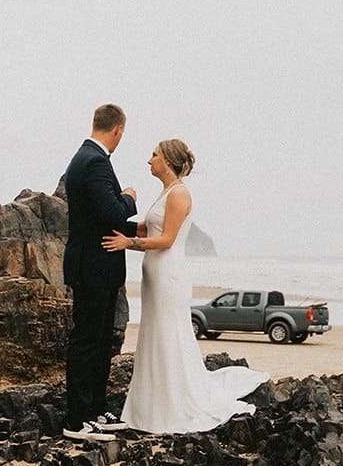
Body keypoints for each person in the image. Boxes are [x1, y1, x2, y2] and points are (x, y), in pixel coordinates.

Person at [102, 139, 267, 433]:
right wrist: (118, 224)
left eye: (154, 155)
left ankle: (171, 404)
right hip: (155, 276)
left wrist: (129, 243)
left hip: (169, 275)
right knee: (154, 334)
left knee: (168, 334)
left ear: (167, 161)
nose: (148, 159)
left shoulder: (179, 194)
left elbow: (166, 240)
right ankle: (149, 403)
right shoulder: (165, 192)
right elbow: (147, 228)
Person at [61, 104, 140, 442]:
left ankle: (95, 410)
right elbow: (111, 213)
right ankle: (78, 419)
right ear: (118, 130)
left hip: (98, 267)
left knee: (100, 340)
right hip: (92, 267)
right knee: (87, 342)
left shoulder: (88, 158)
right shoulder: (93, 161)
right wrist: (129, 198)